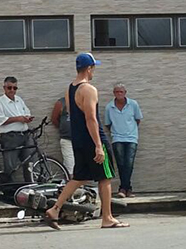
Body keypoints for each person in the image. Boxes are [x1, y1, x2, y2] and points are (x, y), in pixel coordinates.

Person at [44, 53, 128, 229]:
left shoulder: (70, 88)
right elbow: (91, 118)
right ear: (89, 68)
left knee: (79, 177)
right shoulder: (89, 89)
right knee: (105, 178)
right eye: (93, 67)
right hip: (92, 138)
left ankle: (54, 209)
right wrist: (99, 145)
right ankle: (108, 217)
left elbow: (72, 115)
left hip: (78, 139)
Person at [0, 76, 35, 183]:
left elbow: (27, 112)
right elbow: (0, 121)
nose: (12, 90)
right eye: (9, 88)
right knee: (10, 166)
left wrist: (27, 118)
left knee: (29, 163)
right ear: (4, 88)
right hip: (10, 137)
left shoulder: (19, 100)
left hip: (24, 135)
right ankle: (9, 190)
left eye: (14, 88)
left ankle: (30, 187)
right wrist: (18, 119)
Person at [105, 83, 143, 198]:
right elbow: (108, 124)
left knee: (129, 163)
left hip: (131, 137)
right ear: (114, 93)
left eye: (121, 92)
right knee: (121, 163)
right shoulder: (109, 107)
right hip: (117, 138)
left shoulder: (133, 104)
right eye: (117, 92)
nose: (119, 94)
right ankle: (127, 188)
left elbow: (137, 119)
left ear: (125, 93)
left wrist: (130, 130)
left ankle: (124, 188)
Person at [50, 95, 74, 177]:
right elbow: (54, 119)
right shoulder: (61, 102)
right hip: (67, 139)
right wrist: (64, 128)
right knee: (69, 165)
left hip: (81, 139)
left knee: (82, 165)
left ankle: (81, 188)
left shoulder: (83, 100)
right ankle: (71, 187)